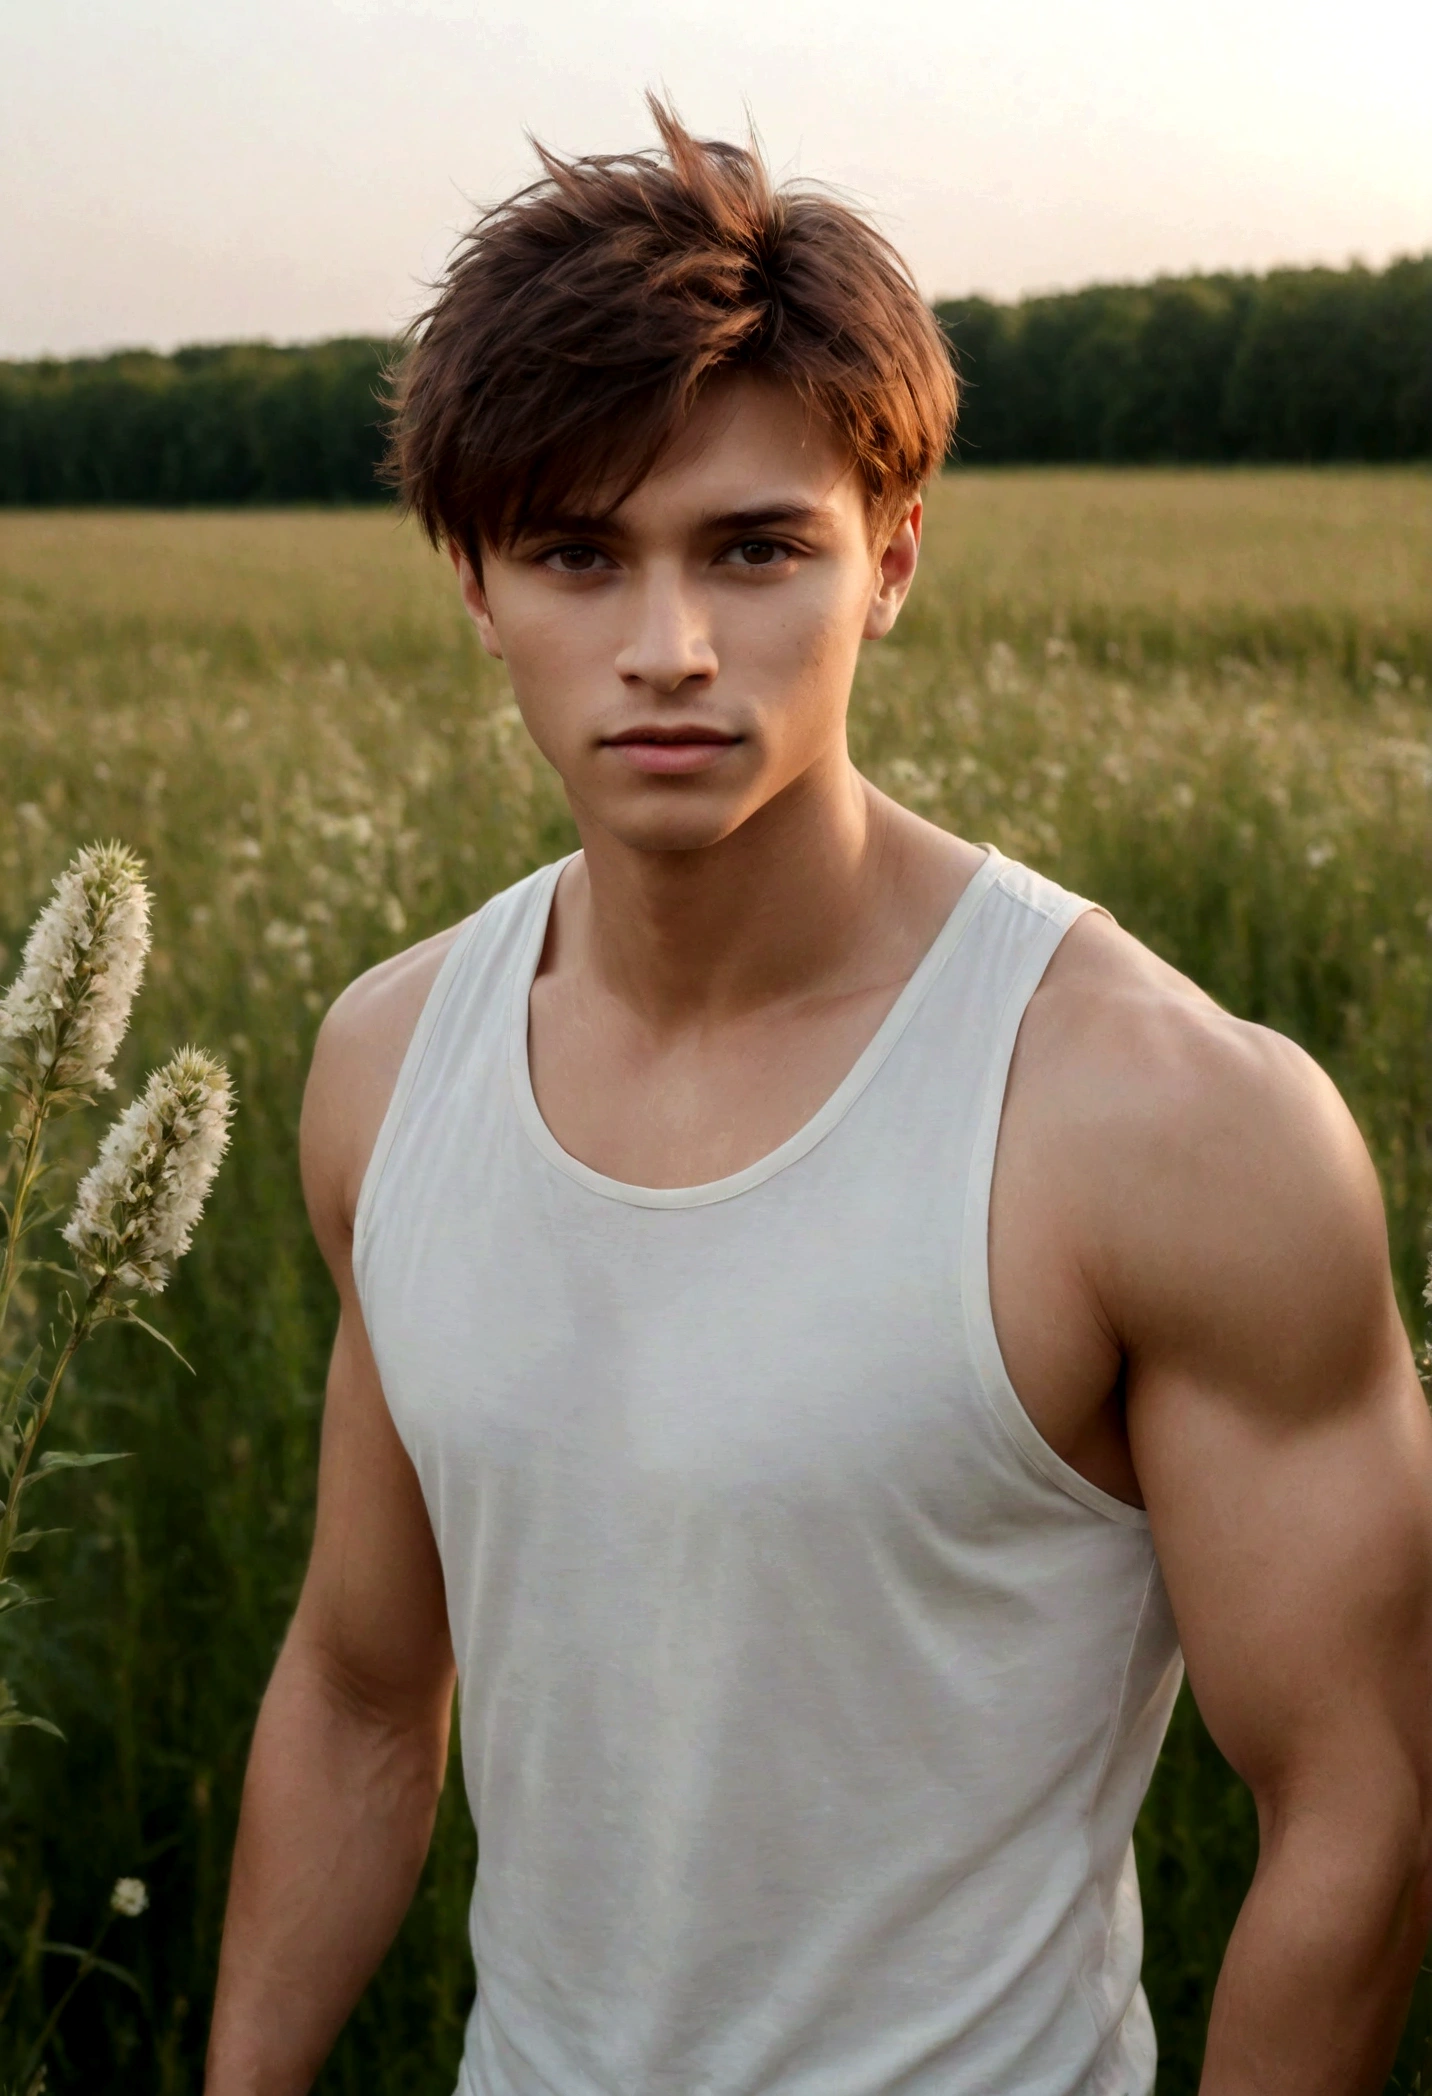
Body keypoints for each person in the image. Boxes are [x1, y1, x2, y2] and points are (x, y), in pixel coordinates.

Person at [205, 102, 1432, 2096]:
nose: (666, 650)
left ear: (889, 562)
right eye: (576, 555)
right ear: (473, 585)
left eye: (754, 547)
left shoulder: (1160, 1119)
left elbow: (1360, 1804)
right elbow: (359, 1683)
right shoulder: (387, 1063)